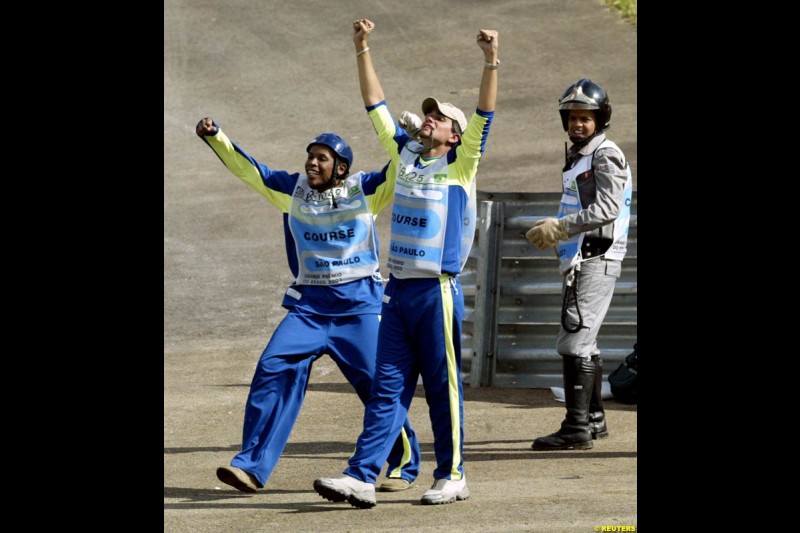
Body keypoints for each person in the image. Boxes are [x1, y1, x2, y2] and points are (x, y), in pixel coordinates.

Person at [312, 19, 498, 509]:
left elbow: (485, 112)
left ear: (456, 137)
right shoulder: (407, 156)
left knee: (441, 386)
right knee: (387, 387)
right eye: (430, 113)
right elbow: (375, 106)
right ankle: (362, 476)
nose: (429, 118)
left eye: (440, 118)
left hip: (437, 290)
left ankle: (453, 473)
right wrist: (362, 48)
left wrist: (490, 60)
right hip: (396, 291)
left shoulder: (462, 163)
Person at [195, 118, 421, 493]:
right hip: (309, 310)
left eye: (322, 159)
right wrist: (215, 137)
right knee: (272, 367)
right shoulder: (290, 190)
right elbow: (249, 170)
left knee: (379, 388)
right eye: (310, 157)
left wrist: (410, 143)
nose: (312, 164)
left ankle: (403, 464)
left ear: (341, 168)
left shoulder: (365, 189)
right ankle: (251, 466)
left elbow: (397, 171)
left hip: (360, 309)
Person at [524, 78, 633, 450]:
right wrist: (558, 235)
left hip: (598, 257)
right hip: (583, 257)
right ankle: (595, 420)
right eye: (572, 117)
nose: (578, 124)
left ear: (601, 119)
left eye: (586, 118)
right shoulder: (579, 155)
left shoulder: (605, 154)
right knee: (587, 340)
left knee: (573, 343)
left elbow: (608, 208)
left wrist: (559, 229)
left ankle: (576, 428)